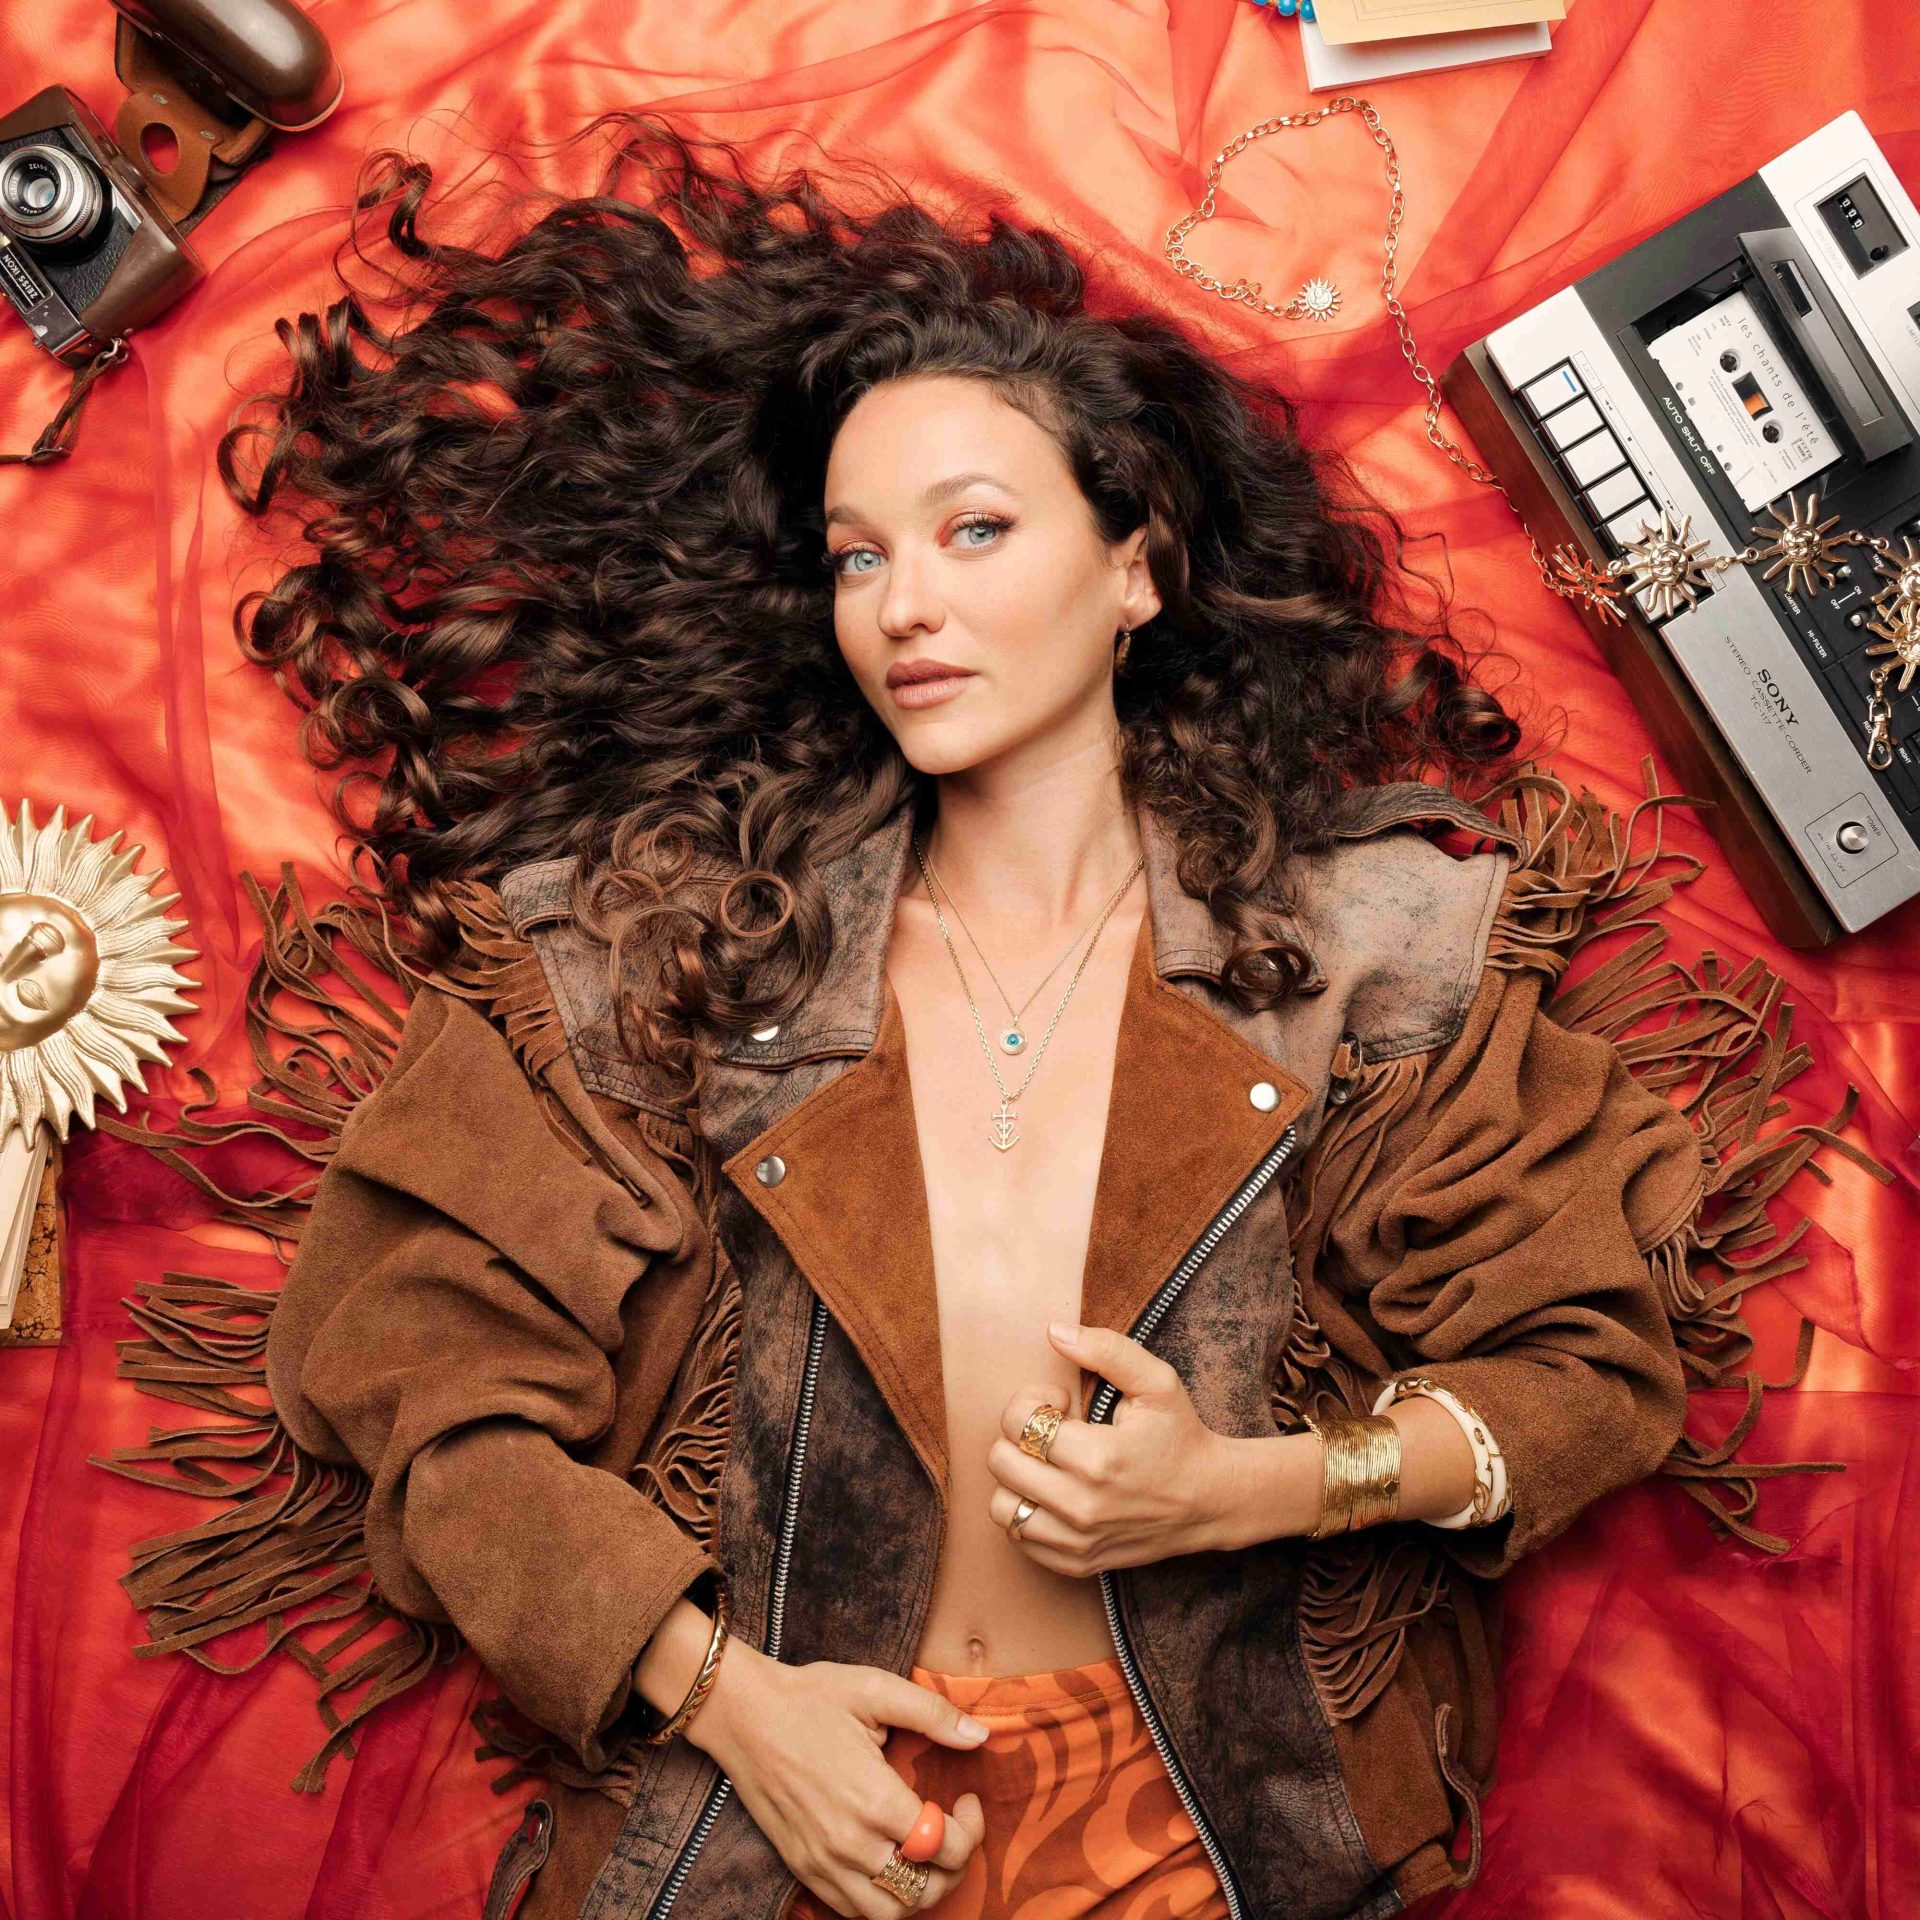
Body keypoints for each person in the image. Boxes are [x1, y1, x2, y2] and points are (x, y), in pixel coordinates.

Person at [110, 112, 1851, 1920]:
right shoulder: (680, 952)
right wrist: (728, 1700)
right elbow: (414, 1383)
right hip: (778, 1818)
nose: (906, 607)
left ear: (1133, 569)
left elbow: (1582, 1374)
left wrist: (1247, 1490)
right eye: (859, 557)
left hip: (1201, 1828)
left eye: (975, 531)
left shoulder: (1365, 947)